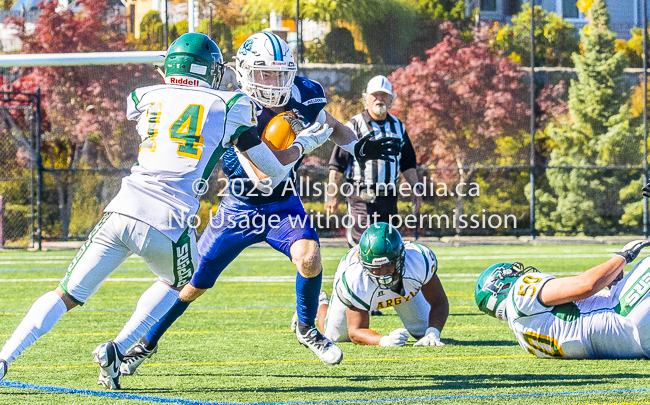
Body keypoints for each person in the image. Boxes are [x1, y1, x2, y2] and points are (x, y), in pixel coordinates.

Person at [0, 33, 332, 389]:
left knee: (64, 294)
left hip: (121, 209)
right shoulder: (231, 104)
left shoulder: (143, 96)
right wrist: (305, 143)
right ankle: (122, 347)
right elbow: (275, 169)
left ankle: (5, 358)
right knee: (177, 285)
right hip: (169, 220)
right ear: (209, 71)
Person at [117, 33, 402, 374]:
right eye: (266, 73)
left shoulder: (302, 94)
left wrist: (357, 146)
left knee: (309, 257)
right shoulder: (231, 105)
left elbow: (330, 124)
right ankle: (145, 344)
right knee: (191, 285)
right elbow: (264, 174)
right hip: (239, 207)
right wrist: (307, 142)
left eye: (282, 73)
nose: (275, 82)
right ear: (246, 72)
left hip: (283, 206)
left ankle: (308, 327)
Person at [475, 240, 650, 359]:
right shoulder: (520, 294)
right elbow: (586, 285)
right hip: (624, 313)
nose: (519, 275)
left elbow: (580, 324)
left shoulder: (526, 341)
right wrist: (624, 256)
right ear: (501, 285)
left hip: (634, 346)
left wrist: (612, 283)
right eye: (513, 273)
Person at [311, 222, 449, 347]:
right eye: (375, 267)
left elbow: (439, 301)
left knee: (425, 331)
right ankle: (320, 303)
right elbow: (356, 332)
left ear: (401, 256)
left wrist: (433, 332)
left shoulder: (418, 260)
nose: (381, 273)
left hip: (403, 287)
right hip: (363, 287)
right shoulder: (355, 277)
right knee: (334, 336)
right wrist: (384, 340)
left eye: (387, 265)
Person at [325, 75, 422, 246]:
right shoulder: (354, 125)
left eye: (384, 95)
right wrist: (331, 194)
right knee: (362, 245)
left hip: (389, 199)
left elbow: (408, 163)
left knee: (388, 247)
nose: (380, 99)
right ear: (366, 99)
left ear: (391, 100)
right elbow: (337, 164)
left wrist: (416, 189)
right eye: (375, 95)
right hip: (361, 198)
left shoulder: (398, 126)